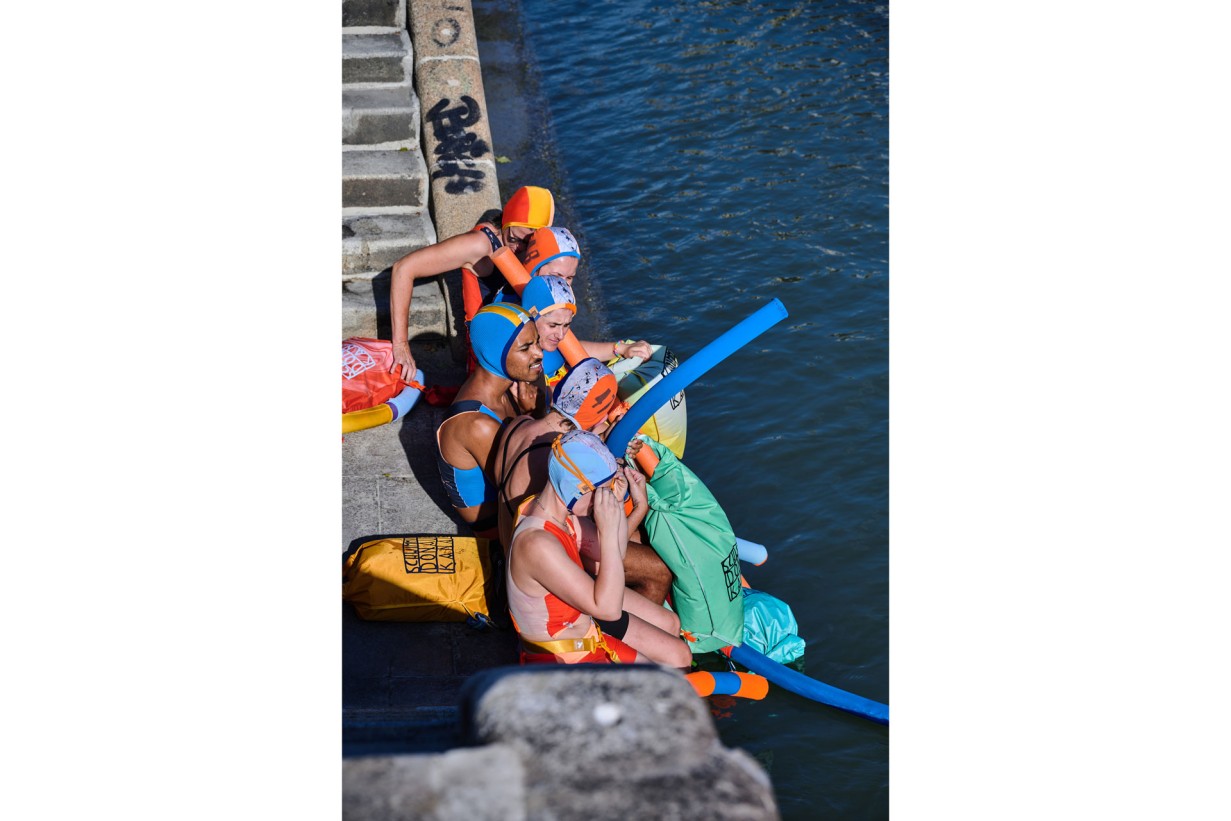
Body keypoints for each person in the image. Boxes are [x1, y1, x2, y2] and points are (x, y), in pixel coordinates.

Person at [492, 358, 672, 606]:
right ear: (598, 413)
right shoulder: (557, 462)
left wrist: (603, 443)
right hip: (541, 570)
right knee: (658, 571)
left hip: (511, 550)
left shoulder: (520, 424)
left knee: (639, 539)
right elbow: (606, 546)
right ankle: (627, 627)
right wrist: (639, 506)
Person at [506, 429, 691, 668]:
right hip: (567, 656)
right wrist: (608, 528)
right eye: (599, 491)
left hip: (585, 629)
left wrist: (631, 505)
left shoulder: (556, 513)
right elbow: (608, 610)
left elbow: (615, 552)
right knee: (676, 661)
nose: (601, 500)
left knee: (672, 629)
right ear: (577, 488)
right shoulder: (537, 544)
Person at [388, 185, 556, 380]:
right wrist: (401, 345)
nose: (519, 248)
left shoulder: (532, 246)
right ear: (506, 222)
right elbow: (403, 269)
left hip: (522, 339)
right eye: (514, 239)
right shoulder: (480, 244)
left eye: (529, 243)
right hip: (488, 353)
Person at [435, 303, 543, 542]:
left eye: (537, 341)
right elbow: (525, 493)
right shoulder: (477, 425)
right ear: (496, 354)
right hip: (502, 534)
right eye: (526, 347)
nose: (539, 353)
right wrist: (534, 418)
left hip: (517, 513)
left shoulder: (508, 388)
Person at [520, 273, 653, 387]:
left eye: (566, 325)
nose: (561, 335)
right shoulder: (516, 356)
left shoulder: (546, 339)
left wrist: (622, 349)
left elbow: (576, 349)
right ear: (531, 317)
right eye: (553, 325)